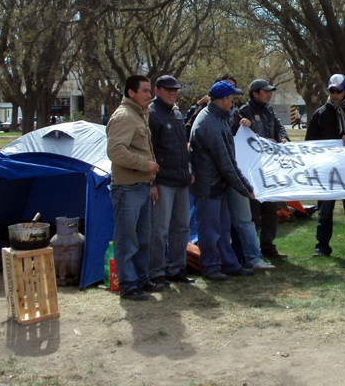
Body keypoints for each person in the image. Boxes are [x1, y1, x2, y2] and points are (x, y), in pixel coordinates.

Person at [189, 81, 256, 280]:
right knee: (209, 230)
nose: (233, 103)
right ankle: (210, 266)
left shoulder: (215, 117)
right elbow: (226, 163)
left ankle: (228, 263)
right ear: (224, 100)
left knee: (222, 228)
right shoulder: (212, 125)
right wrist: (246, 189)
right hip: (209, 186)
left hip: (216, 185)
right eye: (232, 99)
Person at [106, 75, 164, 301]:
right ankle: (128, 285)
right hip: (127, 188)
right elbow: (115, 151)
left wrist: (149, 179)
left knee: (142, 239)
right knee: (126, 240)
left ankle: (141, 279)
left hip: (141, 186)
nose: (150, 95)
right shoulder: (124, 116)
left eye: (150, 91)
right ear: (131, 92)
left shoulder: (140, 114)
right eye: (145, 91)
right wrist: (144, 164)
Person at [305, 74, 345, 258]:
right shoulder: (319, 114)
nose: (335, 95)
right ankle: (322, 247)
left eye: (338, 91)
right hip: (327, 170)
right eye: (332, 91)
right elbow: (310, 142)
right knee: (324, 211)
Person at [148, 75, 194, 285]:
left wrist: (189, 170)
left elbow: (184, 147)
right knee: (160, 230)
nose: (172, 93)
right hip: (162, 182)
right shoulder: (152, 114)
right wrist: (152, 183)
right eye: (168, 89)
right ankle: (156, 271)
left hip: (181, 180)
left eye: (175, 90)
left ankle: (176, 268)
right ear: (157, 90)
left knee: (182, 227)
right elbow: (149, 151)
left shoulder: (176, 114)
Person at [239, 79, 290, 259]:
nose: (269, 94)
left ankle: (268, 246)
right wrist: (263, 140)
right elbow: (245, 137)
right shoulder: (243, 112)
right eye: (266, 91)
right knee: (253, 211)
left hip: (270, 169)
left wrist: (283, 138)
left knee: (270, 209)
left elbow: (279, 128)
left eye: (270, 91)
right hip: (252, 170)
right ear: (255, 93)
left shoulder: (269, 110)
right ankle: (251, 250)